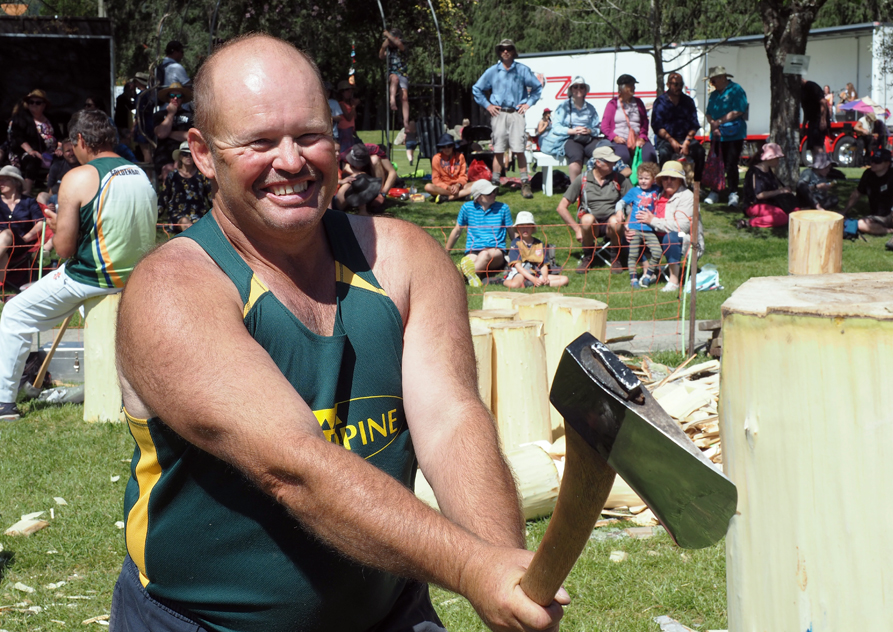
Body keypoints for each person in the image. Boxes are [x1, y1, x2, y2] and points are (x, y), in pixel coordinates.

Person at [110, 35, 567, 632]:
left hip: (387, 616)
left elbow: (451, 418)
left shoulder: (405, 260)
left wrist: (509, 576)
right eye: (259, 142)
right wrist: (476, 569)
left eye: (309, 135)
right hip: (202, 623)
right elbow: (294, 469)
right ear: (201, 153)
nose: (292, 161)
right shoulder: (171, 292)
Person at [0, 109, 156, 421]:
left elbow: (64, 249)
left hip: (91, 277)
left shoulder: (78, 177)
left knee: (14, 314)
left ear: (81, 140)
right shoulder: (139, 172)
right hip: (136, 276)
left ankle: (4, 403)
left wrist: (58, 226)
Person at [472, 38, 543, 198]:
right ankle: (495, 184)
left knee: (519, 149)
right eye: (502, 49)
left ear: (513, 51)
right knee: (498, 149)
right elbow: (477, 89)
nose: (505, 51)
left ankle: (525, 184)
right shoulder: (492, 71)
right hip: (499, 113)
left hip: (517, 113)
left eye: (509, 48)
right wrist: (488, 105)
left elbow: (537, 87)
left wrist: (528, 103)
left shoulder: (523, 70)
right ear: (499, 51)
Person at [555, 145, 631, 274]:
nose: (613, 164)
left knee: (616, 221)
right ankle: (588, 256)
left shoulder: (620, 179)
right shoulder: (582, 179)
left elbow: (635, 202)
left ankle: (615, 257)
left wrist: (628, 223)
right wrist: (577, 229)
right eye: (610, 162)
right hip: (591, 225)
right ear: (598, 163)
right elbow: (561, 207)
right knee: (587, 219)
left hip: (612, 224)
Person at [633, 161, 703, 294]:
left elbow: (682, 226)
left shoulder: (688, 196)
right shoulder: (657, 194)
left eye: (673, 178)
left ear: (680, 180)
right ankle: (650, 272)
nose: (668, 181)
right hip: (656, 234)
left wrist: (653, 221)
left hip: (686, 236)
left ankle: (674, 280)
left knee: (672, 236)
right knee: (631, 235)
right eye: (665, 178)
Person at [445, 179, 513, 284]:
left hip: (496, 251)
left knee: (484, 255)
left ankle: (456, 278)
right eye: (489, 193)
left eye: (494, 191)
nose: (494, 194)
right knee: (471, 260)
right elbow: (457, 230)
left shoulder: (503, 208)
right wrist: (446, 252)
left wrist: (518, 251)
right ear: (479, 197)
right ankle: (473, 275)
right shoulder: (467, 208)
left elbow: (511, 231)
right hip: (473, 250)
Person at [841, 148, 893, 251]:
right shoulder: (868, 174)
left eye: (877, 161)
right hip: (876, 217)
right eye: (872, 160)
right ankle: (890, 230)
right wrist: (844, 211)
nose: (873, 163)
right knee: (861, 224)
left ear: (887, 163)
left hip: (892, 212)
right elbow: (856, 194)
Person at [537, 76, 601, 182]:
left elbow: (597, 128)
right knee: (576, 156)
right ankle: (575, 191)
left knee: (601, 153)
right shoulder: (563, 107)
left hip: (587, 138)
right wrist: (573, 131)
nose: (578, 89)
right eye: (575, 87)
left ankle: (597, 187)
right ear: (571, 89)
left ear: (585, 90)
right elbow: (556, 127)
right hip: (570, 137)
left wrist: (589, 130)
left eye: (581, 87)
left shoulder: (590, 108)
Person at [704, 66, 748, 207]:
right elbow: (708, 112)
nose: (712, 83)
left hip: (733, 135)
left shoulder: (736, 90)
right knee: (715, 164)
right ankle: (715, 191)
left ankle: (733, 192)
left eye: (714, 80)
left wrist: (719, 122)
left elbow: (738, 111)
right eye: (711, 80)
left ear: (723, 78)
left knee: (731, 164)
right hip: (717, 136)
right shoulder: (714, 94)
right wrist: (712, 123)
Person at [651, 72, 704, 180]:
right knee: (664, 152)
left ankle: (697, 184)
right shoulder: (660, 102)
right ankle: (664, 184)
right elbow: (657, 126)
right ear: (668, 85)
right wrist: (671, 140)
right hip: (666, 139)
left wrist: (687, 141)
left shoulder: (688, 101)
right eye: (676, 84)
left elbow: (694, 124)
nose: (679, 87)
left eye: (681, 84)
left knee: (700, 151)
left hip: (685, 139)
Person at [6, 89, 58, 195]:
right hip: (26, 152)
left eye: (38, 102)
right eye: (31, 102)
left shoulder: (50, 118)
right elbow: (18, 137)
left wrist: (60, 148)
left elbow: (59, 136)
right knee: (33, 158)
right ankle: (26, 191)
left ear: (44, 105)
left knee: (65, 158)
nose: (34, 104)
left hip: (51, 153)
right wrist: (30, 150)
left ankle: (52, 193)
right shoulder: (21, 117)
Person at [0, 166, 44, 289]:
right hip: (2, 247)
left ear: (16, 182)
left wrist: (25, 239)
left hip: (20, 244)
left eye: (4, 180)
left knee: (7, 233)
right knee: (3, 249)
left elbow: (40, 223)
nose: (0, 183)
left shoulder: (28, 202)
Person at [620, 161, 662, 288]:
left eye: (646, 178)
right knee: (632, 254)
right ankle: (633, 280)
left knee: (657, 252)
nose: (643, 181)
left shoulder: (657, 189)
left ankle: (648, 275)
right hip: (634, 228)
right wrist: (618, 212)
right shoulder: (634, 191)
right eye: (640, 178)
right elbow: (621, 202)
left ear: (653, 179)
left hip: (649, 228)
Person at [601, 74, 657, 168]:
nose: (633, 88)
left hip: (637, 138)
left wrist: (642, 137)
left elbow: (644, 124)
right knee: (623, 156)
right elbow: (604, 126)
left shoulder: (638, 103)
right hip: (620, 139)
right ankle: (623, 181)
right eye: (630, 85)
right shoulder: (613, 104)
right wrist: (615, 137)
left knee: (649, 154)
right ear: (622, 88)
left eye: (633, 85)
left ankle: (646, 181)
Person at [738, 142, 799, 229]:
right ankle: (750, 222)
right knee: (782, 217)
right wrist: (780, 191)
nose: (778, 160)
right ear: (770, 158)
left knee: (795, 211)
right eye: (777, 158)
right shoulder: (754, 172)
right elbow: (759, 195)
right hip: (753, 205)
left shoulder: (769, 170)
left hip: (770, 203)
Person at [503, 211, 568, 288]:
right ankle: (502, 281)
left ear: (533, 227)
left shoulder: (539, 244)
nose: (525, 228)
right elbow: (518, 267)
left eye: (528, 226)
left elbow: (543, 265)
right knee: (515, 284)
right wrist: (532, 279)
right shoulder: (515, 243)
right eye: (522, 226)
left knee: (565, 280)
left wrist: (545, 277)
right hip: (520, 273)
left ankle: (532, 284)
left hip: (536, 272)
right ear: (517, 228)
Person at [158, 141, 213, 232]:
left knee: (197, 223)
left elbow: (211, 198)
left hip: (199, 215)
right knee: (185, 222)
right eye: (185, 154)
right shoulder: (173, 176)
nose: (188, 157)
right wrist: (154, 218)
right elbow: (163, 198)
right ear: (180, 156)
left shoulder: (202, 176)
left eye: (191, 154)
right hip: (178, 215)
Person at [337, 143, 397, 212]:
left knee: (374, 159)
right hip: (357, 180)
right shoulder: (344, 156)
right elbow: (343, 170)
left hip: (374, 177)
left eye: (360, 164)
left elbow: (392, 173)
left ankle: (377, 194)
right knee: (339, 207)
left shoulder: (375, 150)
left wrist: (382, 194)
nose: (358, 166)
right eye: (355, 163)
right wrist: (360, 174)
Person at [154, 82, 194, 176]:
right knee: (168, 171)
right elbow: (160, 134)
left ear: (183, 98)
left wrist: (169, 133)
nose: (175, 98)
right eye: (172, 95)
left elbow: (191, 136)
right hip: (164, 155)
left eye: (179, 96)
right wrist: (170, 114)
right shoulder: (159, 115)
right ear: (168, 97)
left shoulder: (191, 116)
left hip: (186, 154)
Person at [424, 133, 472, 203]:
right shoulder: (436, 158)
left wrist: (457, 185)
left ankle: (448, 198)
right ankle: (462, 195)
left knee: (482, 183)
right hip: (443, 188)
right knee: (428, 187)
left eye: (449, 146)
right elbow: (436, 179)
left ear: (453, 146)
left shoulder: (460, 156)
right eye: (444, 146)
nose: (446, 149)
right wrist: (448, 187)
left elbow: (463, 175)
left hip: (459, 186)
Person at [379, 28, 410, 127]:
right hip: (392, 74)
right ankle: (392, 99)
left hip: (402, 74)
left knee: (404, 97)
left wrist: (388, 35)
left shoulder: (402, 47)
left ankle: (406, 121)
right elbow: (381, 56)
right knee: (394, 79)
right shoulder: (388, 50)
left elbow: (399, 44)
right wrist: (383, 47)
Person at [801, 76, 830, 154]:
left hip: (819, 119)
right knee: (811, 146)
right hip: (812, 120)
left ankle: (822, 164)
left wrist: (823, 120)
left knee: (817, 145)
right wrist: (804, 125)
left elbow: (823, 102)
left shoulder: (812, 86)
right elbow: (805, 109)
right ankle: (816, 165)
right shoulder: (801, 91)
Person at [336, 80, 360, 152]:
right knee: (345, 150)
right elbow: (348, 118)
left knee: (350, 148)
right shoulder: (341, 104)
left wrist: (353, 106)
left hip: (350, 129)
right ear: (343, 92)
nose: (350, 94)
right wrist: (354, 106)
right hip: (344, 130)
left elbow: (354, 117)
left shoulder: (350, 104)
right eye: (348, 92)